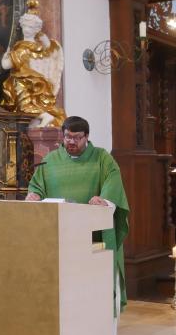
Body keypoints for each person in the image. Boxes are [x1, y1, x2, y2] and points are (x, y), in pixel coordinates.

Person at [26, 116, 130, 315]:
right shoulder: (50, 159)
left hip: (92, 237)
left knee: (91, 289)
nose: (71, 142)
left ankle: (96, 317)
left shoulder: (101, 157)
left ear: (87, 137)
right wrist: (35, 194)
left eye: (77, 137)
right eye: (67, 137)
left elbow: (113, 179)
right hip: (58, 235)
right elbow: (37, 185)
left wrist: (105, 199)